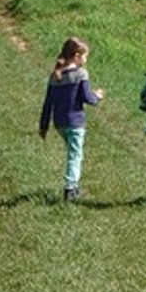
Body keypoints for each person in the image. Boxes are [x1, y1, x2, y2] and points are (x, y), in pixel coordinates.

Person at [38, 36, 105, 202]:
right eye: (84, 56)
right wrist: (98, 96)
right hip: (75, 122)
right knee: (75, 155)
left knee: (72, 153)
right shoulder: (81, 74)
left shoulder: (55, 76)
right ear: (76, 56)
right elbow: (88, 98)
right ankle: (70, 189)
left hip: (59, 123)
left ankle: (73, 185)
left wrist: (43, 126)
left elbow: (48, 103)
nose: (85, 59)